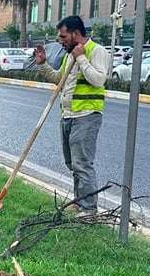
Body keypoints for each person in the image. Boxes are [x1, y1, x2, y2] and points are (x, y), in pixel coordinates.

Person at [33, 16, 113, 216]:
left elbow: (98, 80)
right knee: (72, 164)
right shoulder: (70, 55)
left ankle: (89, 210)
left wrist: (82, 58)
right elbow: (60, 79)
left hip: (86, 115)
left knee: (82, 164)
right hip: (67, 115)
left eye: (63, 36)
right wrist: (43, 64)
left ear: (76, 34)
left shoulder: (97, 51)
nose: (60, 41)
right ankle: (79, 202)